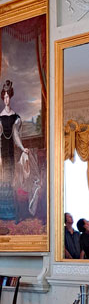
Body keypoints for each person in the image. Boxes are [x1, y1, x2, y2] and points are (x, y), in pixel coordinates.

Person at [0, 80, 29, 220]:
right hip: (1, 152)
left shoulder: (15, 117)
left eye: (8, 96)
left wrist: (23, 148)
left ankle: (11, 214)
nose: (6, 99)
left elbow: (16, 136)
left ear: (11, 97)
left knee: (10, 179)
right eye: (4, 96)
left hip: (10, 152)